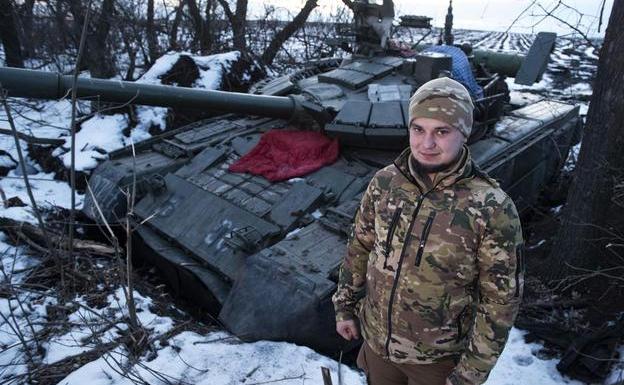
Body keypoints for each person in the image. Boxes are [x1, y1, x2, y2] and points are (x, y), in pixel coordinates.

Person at [332, 77, 524, 385]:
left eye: (442, 131)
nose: (427, 143)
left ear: (464, 133)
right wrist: (345, 307)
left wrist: (470, 374)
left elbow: (500, 301)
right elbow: (360, 246)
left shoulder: (491, 208)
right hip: (378, 345)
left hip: (438, 362)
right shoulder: (385, 183)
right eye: (418, 129)